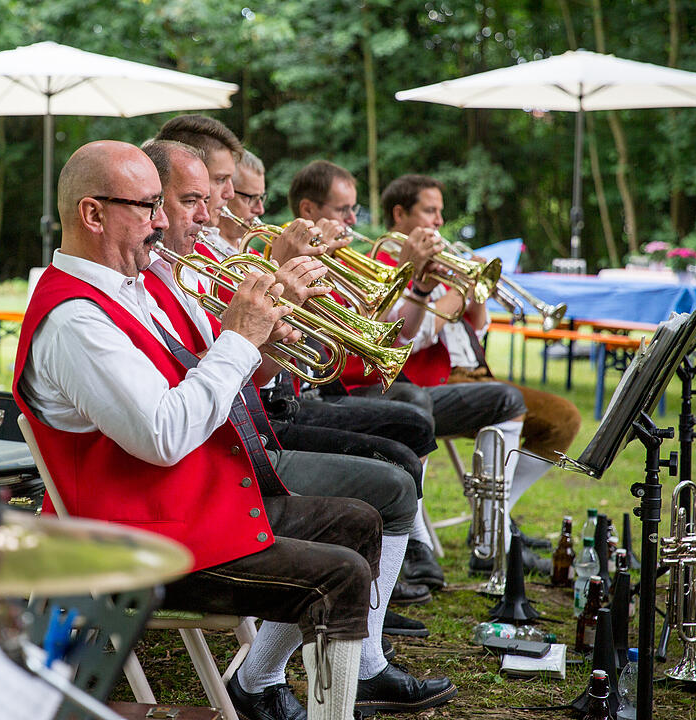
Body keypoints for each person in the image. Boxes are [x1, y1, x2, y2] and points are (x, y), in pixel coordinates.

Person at [12, 140, 391, 720]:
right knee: (343, 576)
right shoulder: (75, 320)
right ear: (92, 214)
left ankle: (261, 682)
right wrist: (240, 337)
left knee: (359, 523)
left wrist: (262, 342)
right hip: (145, 545)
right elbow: (163, 435)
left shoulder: (137, 285)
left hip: (194, 508)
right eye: (147, 206)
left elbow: (218, 388)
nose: (162, 220)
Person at [139, 137, 457, 716]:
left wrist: (282, 328)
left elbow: (251, 371)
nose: (229, 205)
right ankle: (337, 662)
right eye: (212, 190)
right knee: (390, 478)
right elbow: (193, 401)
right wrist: (268, 294)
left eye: (234, 191)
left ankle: (337, 654)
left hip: (247, 431)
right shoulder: (168, 276)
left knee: (401, 455)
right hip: (232, 453)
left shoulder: (189, 264)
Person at [288, 160, 552, 575]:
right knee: (410, 405)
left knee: (521, 404)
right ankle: (414, 540)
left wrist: (459, 289)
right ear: (308, 210)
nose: (354, 221)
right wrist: (414, 278)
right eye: (344, 210)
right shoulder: (344, 259)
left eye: (355, 209)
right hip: (357, 387)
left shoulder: (352, 261)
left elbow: (400, 333)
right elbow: (394, 337)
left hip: (404, 378)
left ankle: (493, 528)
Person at [381, 173, 582, 546]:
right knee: (507, 406)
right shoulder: (385, 262)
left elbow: (477, 328)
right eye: (430, 210)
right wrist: (451, 294)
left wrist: (475, 290)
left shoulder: (442, 262)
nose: (439, 221)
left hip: (474, 373)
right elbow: (410, 336)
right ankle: (494, 533)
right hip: (431, 381)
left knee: (564, 418)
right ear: (399, 214)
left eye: (441, 211)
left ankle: (497, 514)